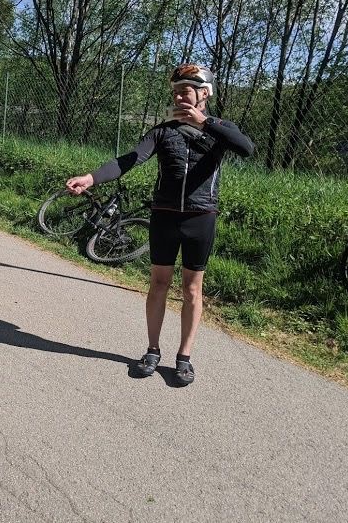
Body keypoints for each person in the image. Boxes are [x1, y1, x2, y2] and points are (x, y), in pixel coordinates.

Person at [65, 64, 253, 386]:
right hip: (164, 216)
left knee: (193, 289)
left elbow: (247, 148)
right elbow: (130, 159)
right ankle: (152, 350)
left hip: (200, 217)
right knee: (159, 284)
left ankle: (184, 358)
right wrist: (91, 178)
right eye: (176, 90)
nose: (180, 95)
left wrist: (205, 122)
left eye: (187, 90)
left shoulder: (219, 129)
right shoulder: (163, 131)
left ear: (204, 94)